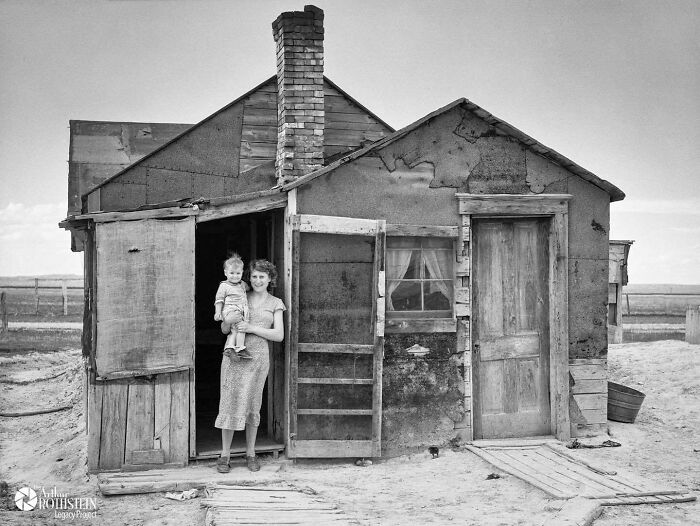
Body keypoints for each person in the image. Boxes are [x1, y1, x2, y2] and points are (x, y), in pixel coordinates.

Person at [214, 259, 285, 473]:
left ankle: (251, 453)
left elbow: (279, 335)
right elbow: (225, 330)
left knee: (253, 404)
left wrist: (251, 327)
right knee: (229, 401)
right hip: (234, 355)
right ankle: (225, 455)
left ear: (270, 279)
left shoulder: (276, 303)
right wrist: (227, 322)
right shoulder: (239, 293)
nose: (257, 280)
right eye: (254, 276)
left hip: (257, 358)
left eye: (262, 277)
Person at [214, 254, 252, 359]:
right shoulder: (224, 286)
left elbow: (248, 288)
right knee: (240, 328)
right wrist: (218, 312)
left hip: (241, 311)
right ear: (225, 273)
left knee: (236, 330)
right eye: (231, 273)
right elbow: (219, 300)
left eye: (238, 273)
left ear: (242, 273)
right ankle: (239, 348)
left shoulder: (242, 284)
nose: (235, 276)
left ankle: (231, 347)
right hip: (231, 311)